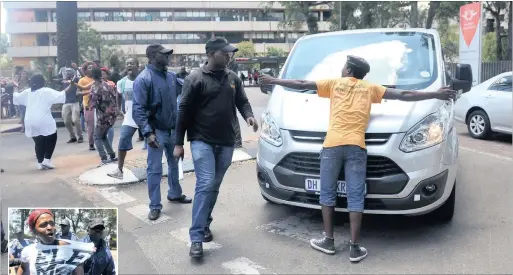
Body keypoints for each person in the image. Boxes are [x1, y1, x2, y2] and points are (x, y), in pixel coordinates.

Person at [259, 55, 457, 262]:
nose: (342, 70)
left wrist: (273, 81)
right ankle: (355, 248)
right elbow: (404, 94)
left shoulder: (334, 84)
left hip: (332, 147)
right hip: (356, 148)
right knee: (355, 197)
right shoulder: (370, 88)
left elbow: (300, 84)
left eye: (344, 67)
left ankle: (328, 241)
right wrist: (436, 93)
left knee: (327, 193)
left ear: (348, 71)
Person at [174, 37, 258, 258]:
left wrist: (249, 116)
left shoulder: (233, 78)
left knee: (213, 186)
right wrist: (178, 143)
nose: (230, 55)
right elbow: (183, 112)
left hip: (226, 141)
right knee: (205, 184)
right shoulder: (195, 79)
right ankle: (196, 237)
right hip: (202, 141)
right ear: (211, 54)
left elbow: (242, 101)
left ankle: (204, 223)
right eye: (225, 52)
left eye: (230, 52)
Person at [133, 44, 192, 221]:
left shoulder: (171, 76)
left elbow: (187, 88)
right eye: (164, 54)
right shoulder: (143, 79)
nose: (168, 57)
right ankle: (155, 205)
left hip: (173, 130)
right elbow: (138, 109)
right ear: (152, 56)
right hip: (156, 132)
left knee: (175, 164)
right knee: (154, 169)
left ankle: (174, 193)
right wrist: (147, 133)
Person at [13, 74, 76, 170]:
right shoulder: (46, 91)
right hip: (44, 119)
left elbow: (16, 96)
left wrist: (15, 86)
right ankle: (46, 160)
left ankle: (40, 163)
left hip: (29, 120)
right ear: (42, 82)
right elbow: (62, 94)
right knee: (52, 137)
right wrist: (71, 85)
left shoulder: (27, 92)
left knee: (38, 142)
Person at [17, 209, 94, 275]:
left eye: (52, 223)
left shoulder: (71, 249)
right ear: (34, 231)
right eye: (43, 225)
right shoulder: (28, 251)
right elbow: (23, 267)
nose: (50, 227)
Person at [107, 58, 141, 179]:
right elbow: (118, 94)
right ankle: (119, 170)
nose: (129, 65)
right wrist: (118, 108)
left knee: (156, 141)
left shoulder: (143, 80)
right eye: (127, 64)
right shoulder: (122, 82)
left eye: (132, 63)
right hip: (130, 118)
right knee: (122, 141)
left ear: (138, 65)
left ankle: (160, 162)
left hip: (145, 117)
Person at [90, 67, 119, 167]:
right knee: (103, 136)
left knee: (97, 137)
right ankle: (112, 156)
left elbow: (93, 101)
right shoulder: (107, 84)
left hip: (104, 115)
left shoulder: (95, 86)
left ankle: (104, 158)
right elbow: (114, 96)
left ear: (92, 76)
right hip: (112, 114)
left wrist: (89, 107)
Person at [78, 62, 98, 151]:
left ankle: (100, 142)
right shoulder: (82, 80)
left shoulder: (97, 79)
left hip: (99, 105)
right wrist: (89, 92)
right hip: (88, 105)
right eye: (89, 68)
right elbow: (78, 92)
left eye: (93, 67)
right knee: (91, 126)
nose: (91, 69)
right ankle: (91, 144)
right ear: (85, 70)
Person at [61, 68, 84, 143]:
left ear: (73, 73)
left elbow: (83, 77)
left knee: (75, 120)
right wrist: (50, 71)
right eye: (66, 72)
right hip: (66, 103)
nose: (67, 73)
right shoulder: (63, 80)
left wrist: (77, 68)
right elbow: (51, 81)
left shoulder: (76, 79)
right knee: (66, 121)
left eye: (69, 71)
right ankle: (72, 136)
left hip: (75, 102)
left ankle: (80, 136)